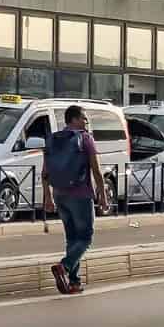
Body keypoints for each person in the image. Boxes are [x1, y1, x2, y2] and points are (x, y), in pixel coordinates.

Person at [45, 105, 109, 295]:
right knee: (86, 238)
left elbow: (45, 172)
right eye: (83, 118)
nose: (86, 122)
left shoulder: (53, 139)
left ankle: (74, 282)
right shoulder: (85, 139)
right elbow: (96, 170)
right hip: (80, 195)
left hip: (59, 194)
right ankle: (64, 267)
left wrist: (48, 196)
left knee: (72, 239)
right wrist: (103, 196)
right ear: (73, 119)